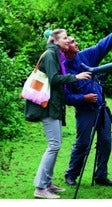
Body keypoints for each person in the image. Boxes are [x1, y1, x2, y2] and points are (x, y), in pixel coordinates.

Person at [61, 22, 112, 187]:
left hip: (101, 107)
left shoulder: (86, 56)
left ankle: (101, 175)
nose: (76, 44)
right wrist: (83, 98)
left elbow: (102, 45)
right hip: (85, 110)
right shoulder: (64, 69)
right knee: (82, 143)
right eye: (72, 42)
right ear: (65, 48)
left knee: (106, 141)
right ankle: (71, 174)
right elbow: (65, 97)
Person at [28, 29, 92, 199]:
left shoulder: (57, 55)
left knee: (55, 145)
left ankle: (47, 183)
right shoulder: (50, 54)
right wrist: (75, 77)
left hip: (55, 106)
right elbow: (54, 79)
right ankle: (40, 187)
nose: (67, 40)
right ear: (55, 41)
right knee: (54, 145)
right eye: (64, 38)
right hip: (48, 106)